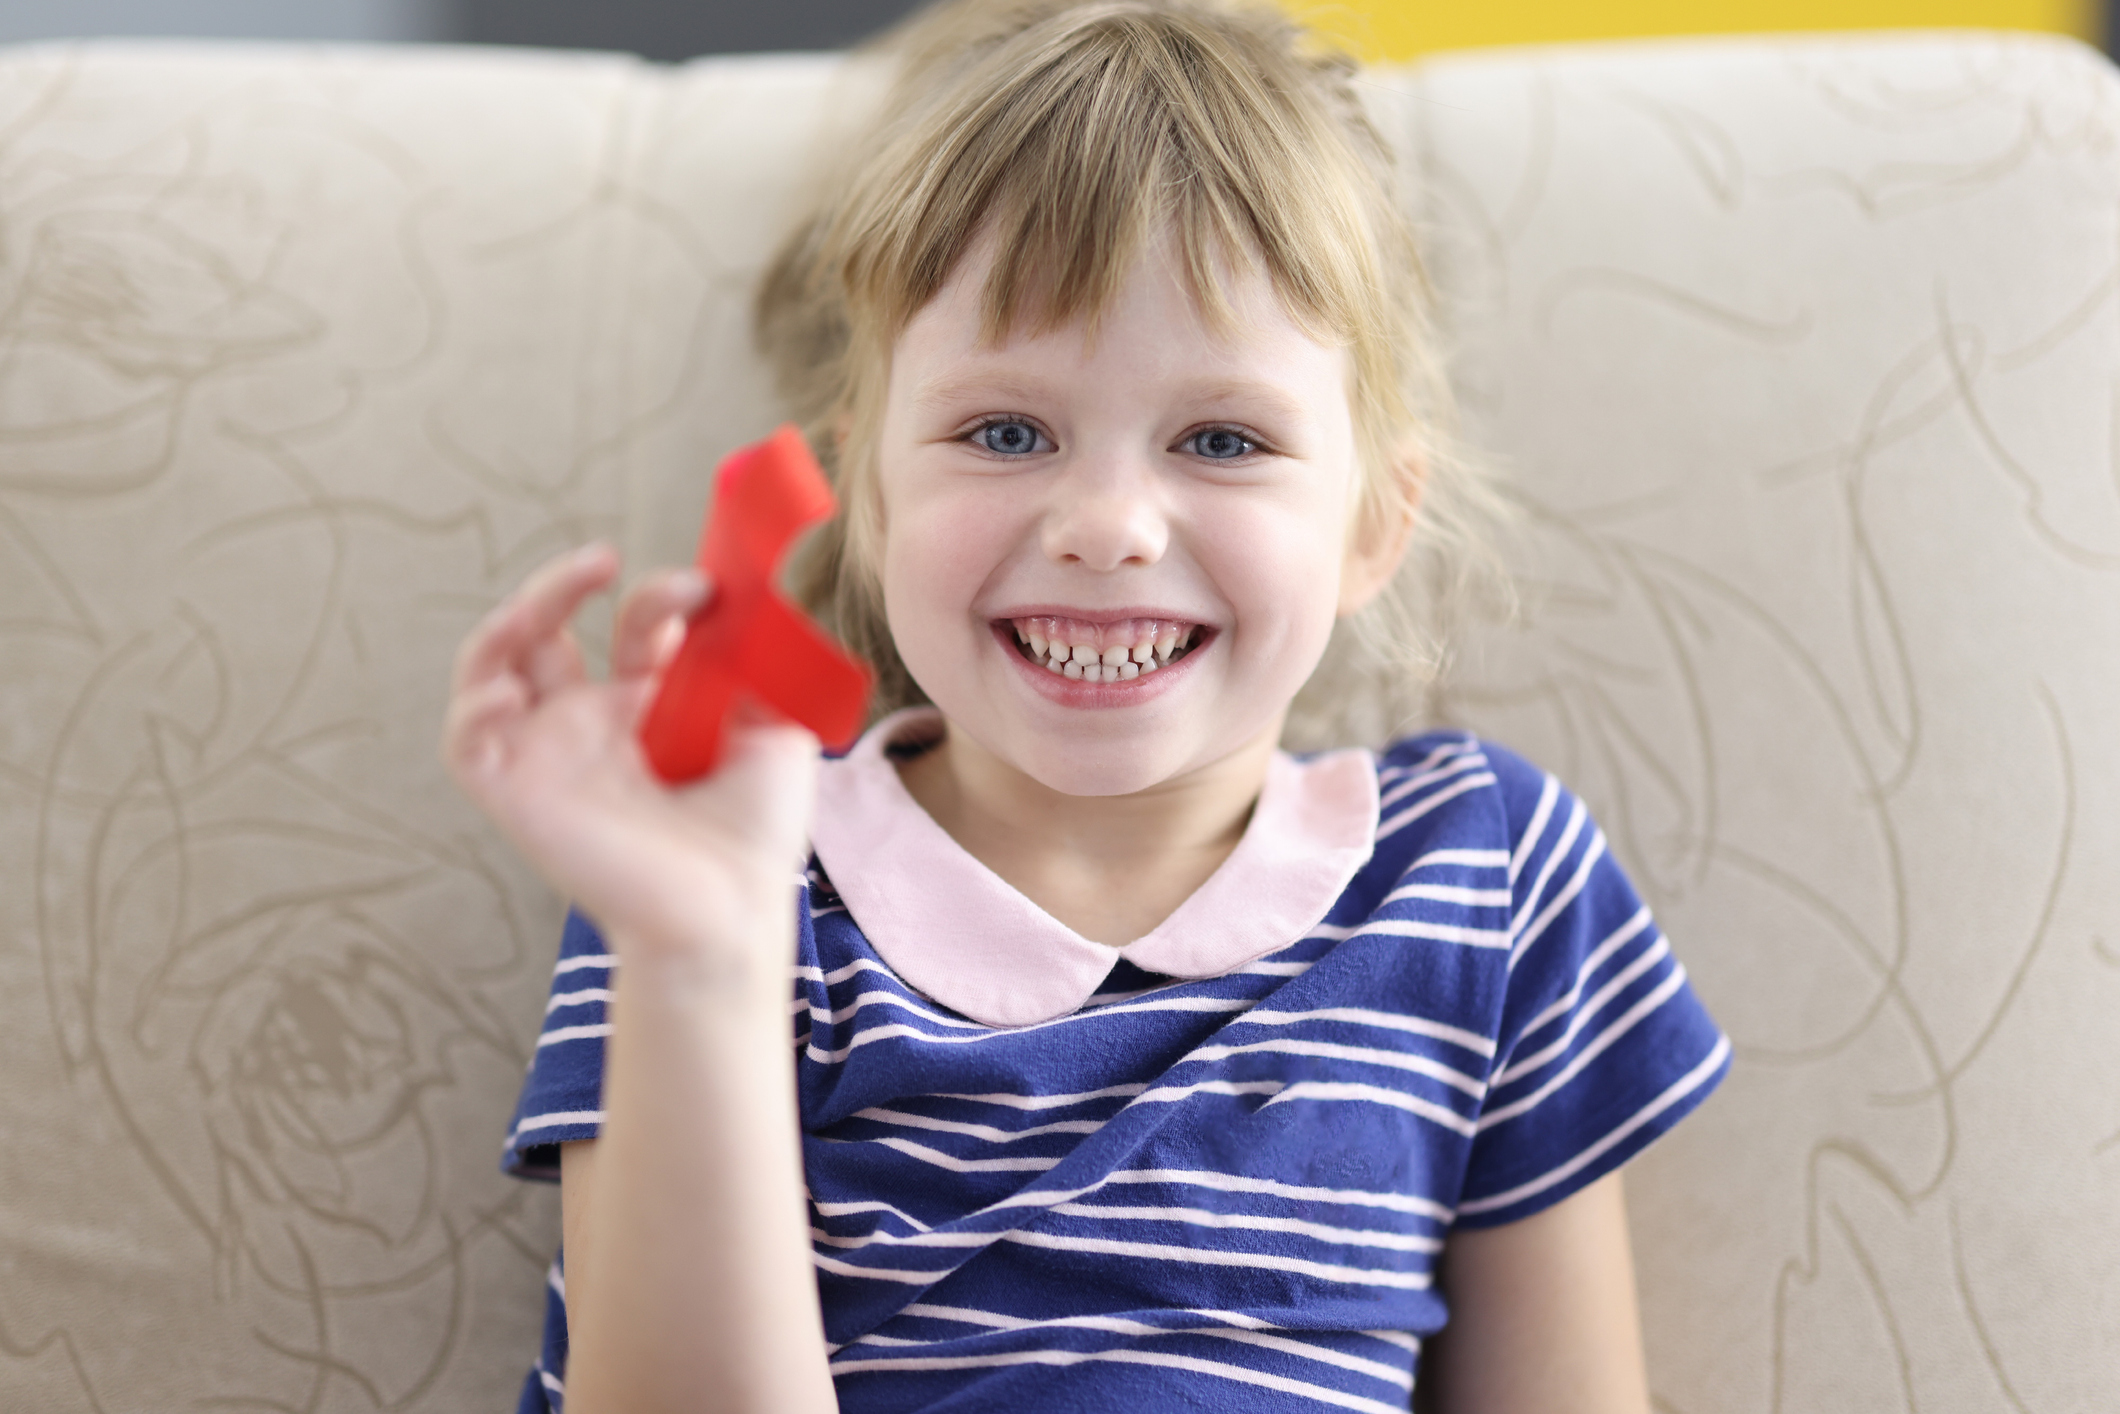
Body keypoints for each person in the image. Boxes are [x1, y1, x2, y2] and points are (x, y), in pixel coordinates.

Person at [442, 2, 1731, 1410]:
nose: (1108, 524)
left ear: (1375, 524)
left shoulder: (1488, 878)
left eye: (1223, 439)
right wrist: (697, 953)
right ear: (864, 496)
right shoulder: (728, 864)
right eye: (1006, 430)